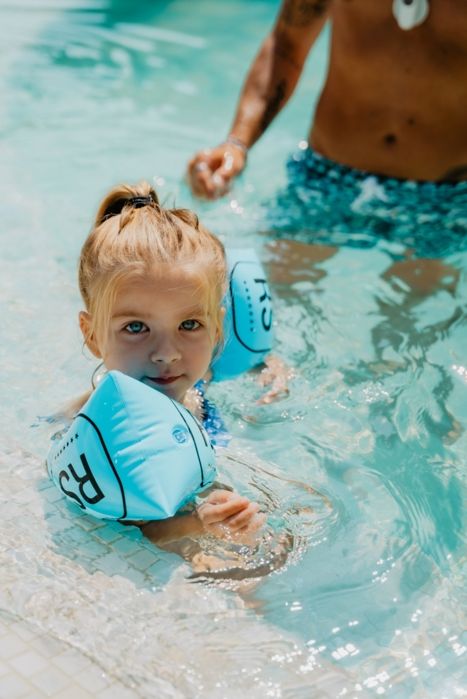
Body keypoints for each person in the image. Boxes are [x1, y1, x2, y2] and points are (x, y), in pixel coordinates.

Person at [71, 180, 269, 545]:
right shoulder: (99, 425)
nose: (167, 353)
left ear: (216, 330)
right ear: (92, 336)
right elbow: (131, 523)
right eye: (136, 327)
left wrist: (267, 366)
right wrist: (196, 523)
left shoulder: (192, 376)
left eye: (189, 324)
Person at [187, 0, 467, 232]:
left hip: (445, 194)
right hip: (326, 174)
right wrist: (237, 144)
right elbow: (286, 47)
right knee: (281, 296)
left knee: (415, 299)